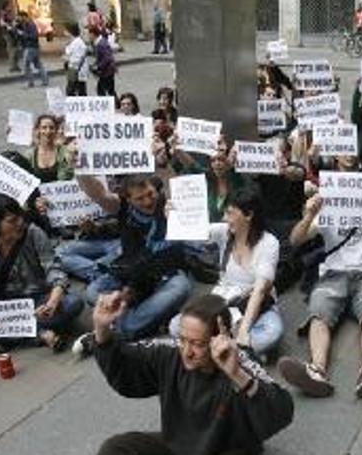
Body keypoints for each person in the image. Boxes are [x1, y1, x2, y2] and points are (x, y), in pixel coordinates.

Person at [92, 292, 294, 455]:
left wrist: (237, 375)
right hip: (178, 446)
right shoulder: (171, 353)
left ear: (220, 338)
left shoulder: (240, 362)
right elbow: (126, 368)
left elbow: (281, 413)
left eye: (198, 344)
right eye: (183, 339)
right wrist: (102, 330)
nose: (187, 351)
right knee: (116, 449)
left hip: (228, 449)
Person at [277, 154, 362, 399]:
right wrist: (307, 216)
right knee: (319, 314)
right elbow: (295, 240)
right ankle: (317, 371)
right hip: (333, 275)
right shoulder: (326, 202)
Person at [0, 194, 84, 352]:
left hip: (38, 300)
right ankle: (39, 334)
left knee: (73, 303)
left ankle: (8, 336)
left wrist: (53, 301)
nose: (20, 223)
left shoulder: (34, 233)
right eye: (12, 221)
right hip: (6, 307)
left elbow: (54, 270)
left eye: (20, 216)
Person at [74, 172, 192, 345]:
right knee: (93, 292)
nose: (148, 201)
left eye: (151, 194)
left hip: (165, 275)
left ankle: (117, 328)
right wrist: (80, 168)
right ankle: (140, 321)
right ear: (128, 200)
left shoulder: (168, 203)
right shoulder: (122, 209)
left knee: (181, 287)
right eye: (140, 198)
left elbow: (180, 184)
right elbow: (98, 194)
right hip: (129, 274)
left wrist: (178, 214)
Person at [169, 188, 284, 360]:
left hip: (254, 305)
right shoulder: (223, 232)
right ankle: (231, 351)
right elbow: (190, 231)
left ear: (249, 215)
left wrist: (244, 330)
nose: (224, 218)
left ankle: (211, 347)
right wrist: (172, 216)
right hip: (223, 301)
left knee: (272, 333)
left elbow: (260, 290)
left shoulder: (269, 243)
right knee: (176, 325)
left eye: (230, 213)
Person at [25, 114, 73, 183]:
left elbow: (65, 179)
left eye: (51, 128)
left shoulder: (64, 152)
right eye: (44, 127)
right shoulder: (30, 154)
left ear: (56, 130)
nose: (48, 131)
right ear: (38, 130)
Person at [16, 11, 49, 88]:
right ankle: (45, 80)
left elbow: (34, 36)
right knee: (38, 64)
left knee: (26, 65)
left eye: (19, 17)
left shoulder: (31, 25)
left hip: (31, 47)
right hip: (32, 47)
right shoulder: (24, 24)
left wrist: (22, 34)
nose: (18, 19)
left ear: (24, 17)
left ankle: (30, 82)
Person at [63, 22, 91, 96]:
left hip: (77, 71)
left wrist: (67, 59)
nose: (64, 32)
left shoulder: (77, 43)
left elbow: (77, 58)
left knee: (73, 91)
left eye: (65, 30)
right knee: (78, 90)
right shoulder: (74, 41)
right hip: (75, 71)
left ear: (70, 31)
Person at [92, 28, 117, 97]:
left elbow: (107, 58)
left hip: (107, 71)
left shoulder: (101, 43)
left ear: (93, 34)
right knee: (109, 90)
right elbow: (101, 57)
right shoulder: (100, 42)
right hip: (108, 70)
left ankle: (113, 104)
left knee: (102, 90)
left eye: (89, 34)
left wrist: (98, 66)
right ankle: (116, 104)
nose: (88, 36)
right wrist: (95, 63)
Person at [0, 1, 21, 72]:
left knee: (16, 49)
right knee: (11, 50)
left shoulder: (11, 13)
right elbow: (2, 23)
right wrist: (9, 26)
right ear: (6, 6)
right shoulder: (3, 13)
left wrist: (15, 22)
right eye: (9, 5)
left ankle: (16, 65)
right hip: (8, 33)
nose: (11, 6)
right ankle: (13, 66)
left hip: (13, 32)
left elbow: (13, 21)